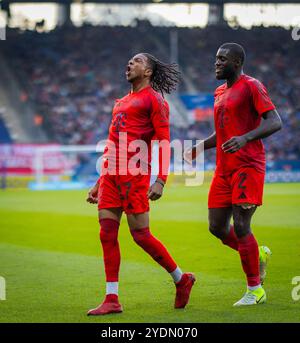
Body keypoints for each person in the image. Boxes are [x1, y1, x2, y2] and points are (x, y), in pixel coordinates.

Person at [86, 53, 195, 315]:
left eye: (135, 61)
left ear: (148, 71)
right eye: (129, 61)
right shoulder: (121, 101)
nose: (129, 63)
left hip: (135, 175)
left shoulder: (154, 100)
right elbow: (113, 144)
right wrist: (100, 181)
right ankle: (112, 298)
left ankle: (182, 279)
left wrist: (161, 179)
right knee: (106, 233)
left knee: (141, 236)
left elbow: (164, 141)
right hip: (112, 176)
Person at [184, 43, 282, 306]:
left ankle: (255, 290)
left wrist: (246, 138)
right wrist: (200, 147)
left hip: (248, 165)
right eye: (215, 59)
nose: (216, 63)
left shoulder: (252, 86)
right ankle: (256, 254)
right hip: (224, 169)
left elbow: (275, 121)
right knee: (216, 227)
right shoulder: (218, 92)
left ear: (237, 62)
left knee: (241, 226)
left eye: (222, 59)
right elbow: (224, 132)